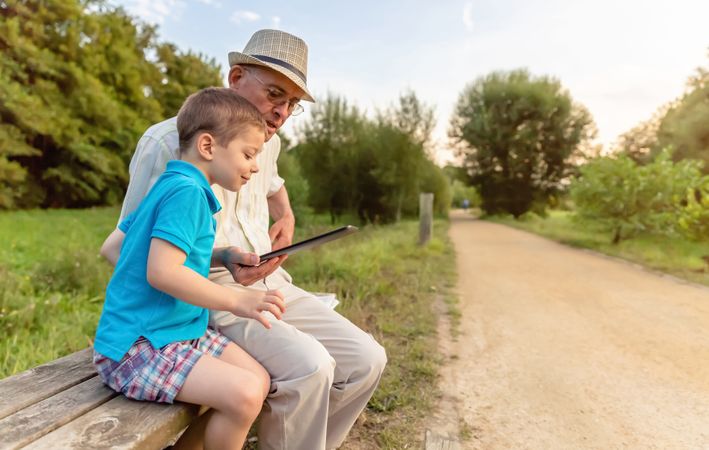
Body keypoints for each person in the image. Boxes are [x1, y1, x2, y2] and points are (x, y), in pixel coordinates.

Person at [119, 29, 387, 449]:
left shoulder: (268, 142)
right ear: (236, 76)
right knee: (310, 369)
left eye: (292, 105)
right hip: (205, 293)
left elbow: (272, 181)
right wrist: (222, 258)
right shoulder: (167, 143)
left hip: (272, 285)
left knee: (367, 360)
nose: (281, 113)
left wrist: (286, 211)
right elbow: (125, 247)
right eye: (275, 94)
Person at [94, 88, 286, 449]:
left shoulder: (172, 183)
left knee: (257, 381)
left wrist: (221, 255)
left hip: (172, 332)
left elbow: (115, 246)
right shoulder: (188, 194)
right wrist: (237, 300)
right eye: (248, 154)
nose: (256, 166)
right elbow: (162, 272)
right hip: (137, 347)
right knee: (245, 394)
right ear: (209, 146)